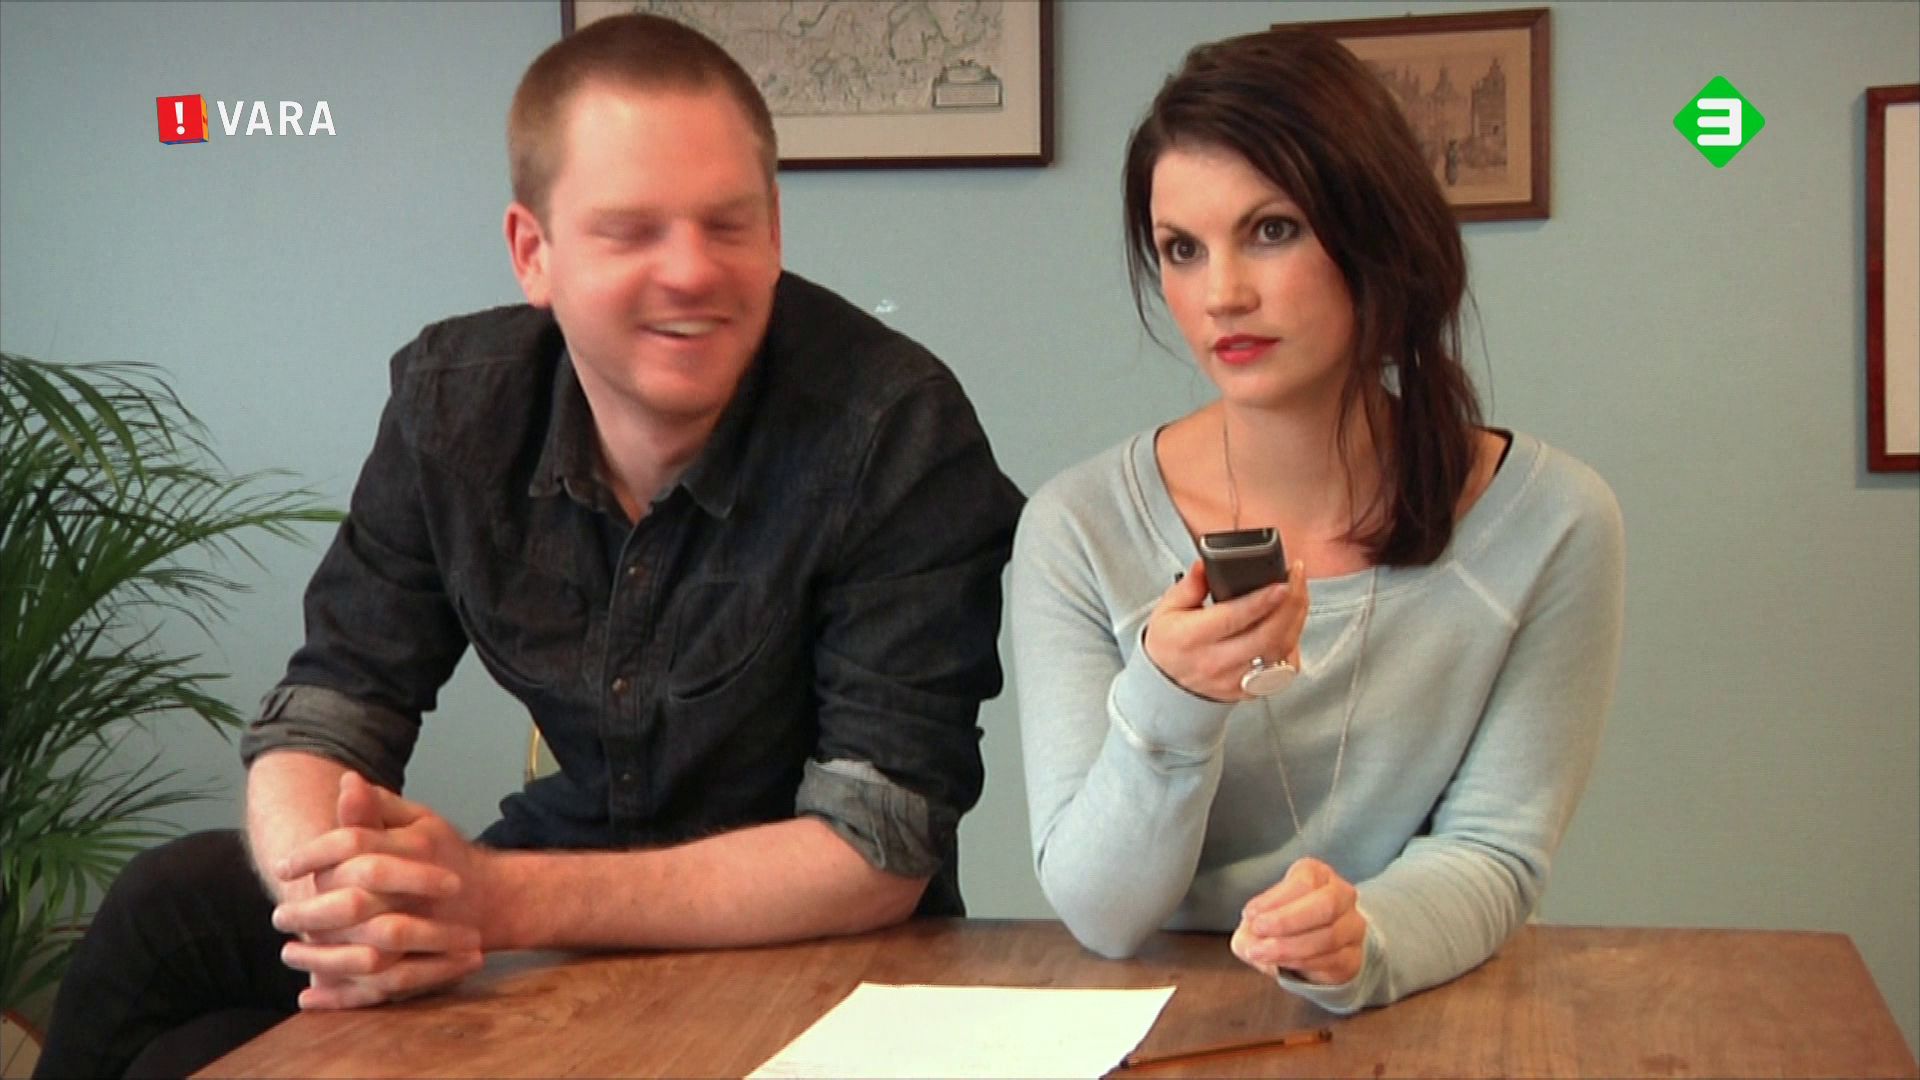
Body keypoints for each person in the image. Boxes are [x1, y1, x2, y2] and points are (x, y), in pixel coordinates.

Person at [36, 14, 1022, 1077]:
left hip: (800, 942)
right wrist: (341, 904)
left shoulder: (893, 430)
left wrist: (494, 902)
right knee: (176, 936)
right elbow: (330, 708)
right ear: (531, 252)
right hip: (542, 894)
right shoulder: (454, 407)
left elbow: (877, 849)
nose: (692, 270)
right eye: (631, 231)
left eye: (727, 224)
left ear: (775, 231)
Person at [1010, 28, 1624, 1015]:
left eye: (1272, 230)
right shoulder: (1077, 528)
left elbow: (1494, 852)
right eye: (1181, 249)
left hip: (1429, 1011)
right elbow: (1102, 915)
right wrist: (1171, 698)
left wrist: (1359, 939)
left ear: (1377, 235)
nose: (1223, 295)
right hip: (1162, 1023)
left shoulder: (1553, 521)